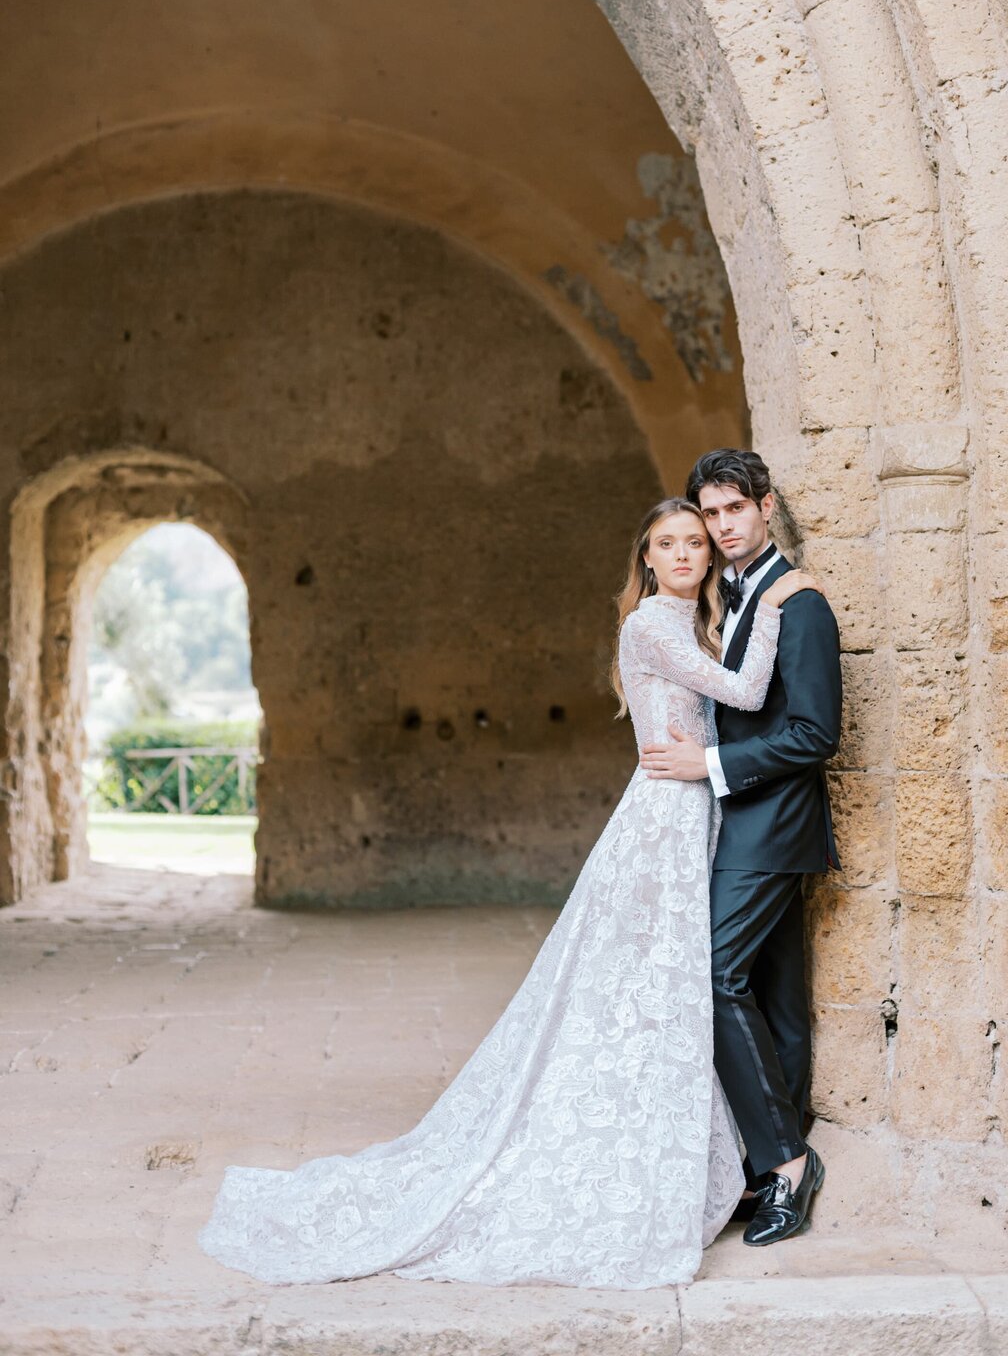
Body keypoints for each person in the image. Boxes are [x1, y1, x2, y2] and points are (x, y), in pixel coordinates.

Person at [199, 497, 815, 1289]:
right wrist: (776, 600)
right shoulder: (653, 626)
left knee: (666, 987)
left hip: (699, 810)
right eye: (670, 544)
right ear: (648, 559)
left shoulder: (691, 622)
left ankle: (708, 1151)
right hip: (666, 815)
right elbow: (742, 689)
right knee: (653, 983)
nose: (687, 554)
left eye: (696, 542)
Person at [640, 450, 841, 1247]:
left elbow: (814, 732)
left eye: (733, 510)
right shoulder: (728, 597)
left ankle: (788, 1163)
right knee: (777, 1001)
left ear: (765, 506)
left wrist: (710, 764)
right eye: (709, 513)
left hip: (771, 825)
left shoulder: (803, 603)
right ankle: (770, 1170)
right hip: (736, 822)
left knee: (715, 976)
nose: (721, 526)